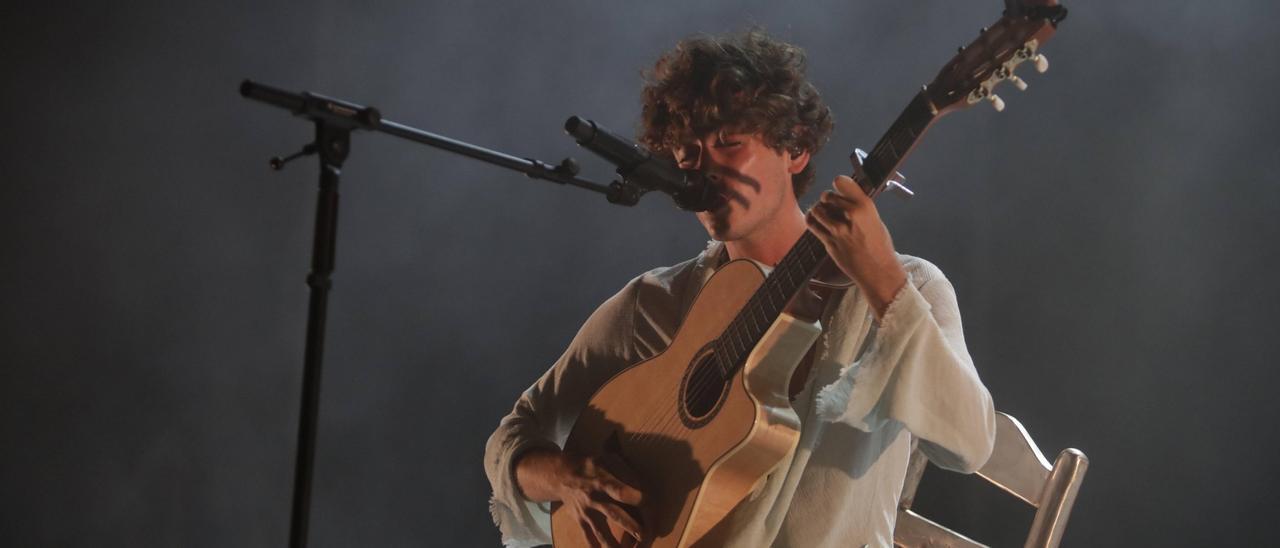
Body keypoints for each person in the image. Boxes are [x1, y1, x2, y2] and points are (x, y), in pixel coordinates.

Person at [484, 29, 996, 547]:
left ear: (794, 148)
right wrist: (568, 479)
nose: (705, 168)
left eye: (729, 143)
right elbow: (515, 435)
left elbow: (969, 445)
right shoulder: (653, 304)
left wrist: (882, 278)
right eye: (687, 153)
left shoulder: (904, 287)